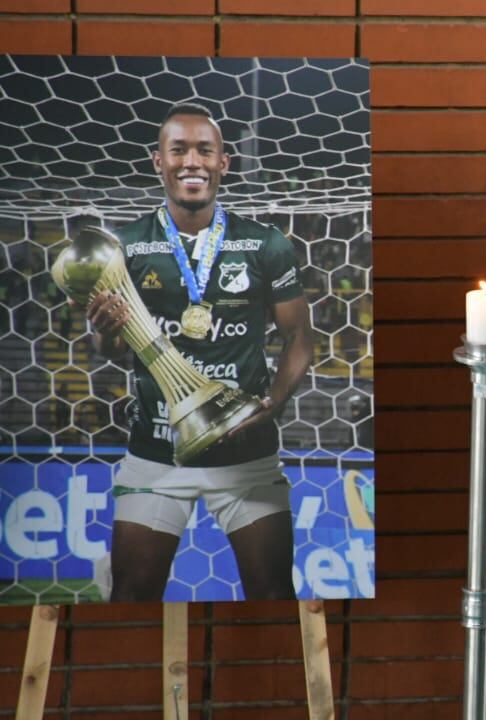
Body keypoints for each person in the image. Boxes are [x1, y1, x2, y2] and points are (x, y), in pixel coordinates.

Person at [83, 102, 313, 602]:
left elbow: (299, 336)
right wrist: (104, 333)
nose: (192, 162)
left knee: (273, 595)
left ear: (223, 162)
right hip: (157, 451)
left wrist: (274, 403)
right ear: (158, 161)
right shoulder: (124, 247)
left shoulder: (265, 245)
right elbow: (113, 352)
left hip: (245, 454)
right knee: (132, 596)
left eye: (205, 151)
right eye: (179, 150)